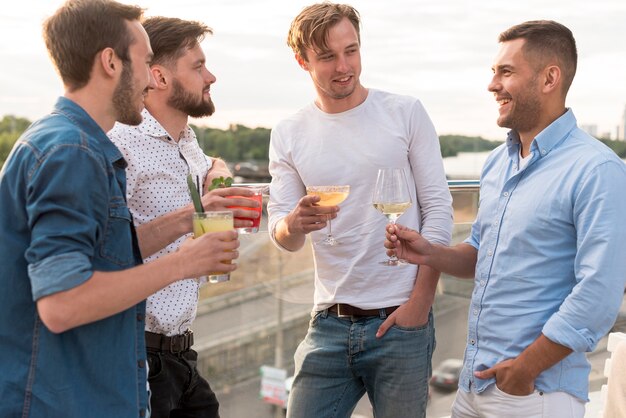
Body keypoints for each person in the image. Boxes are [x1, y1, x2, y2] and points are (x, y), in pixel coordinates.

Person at [0, 1, 240, 417]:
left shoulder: (75, 143)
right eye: (145, 62)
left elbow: (102, 260)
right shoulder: (71, 152)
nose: (151, 79)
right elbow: (62, 304)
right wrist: (182, 263)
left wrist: (190, 216)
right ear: (111, 62)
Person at [385, 20, 626, 418]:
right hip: (475, 385)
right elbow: (483, 254)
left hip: (535, 393)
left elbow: (599, 292)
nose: (492, 84)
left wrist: (524, 371)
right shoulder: (497, 163)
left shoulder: (597, 169)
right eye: (494, 72)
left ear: (550, 78)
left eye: (506, 72)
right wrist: (430, 253)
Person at [267, 3, 453, 417]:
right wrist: (294, 224)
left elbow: (439, 210)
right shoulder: (289, 132)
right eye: (328, 56)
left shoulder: (405, 113)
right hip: (328, 325)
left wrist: (420, 302)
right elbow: (281, 233)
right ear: (302, 61)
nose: (344, 66)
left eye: (351, 50)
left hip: (401, 321)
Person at [108, 16, 259, 418]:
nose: (211, 76)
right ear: (157, 76)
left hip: (182, 355)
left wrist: (220, 174)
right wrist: (196, 212)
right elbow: (108, 251)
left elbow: (211, 165)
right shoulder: (120, 144)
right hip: (136, 356)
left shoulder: (187, 141)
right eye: (197, 66)